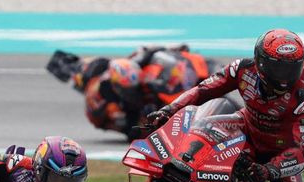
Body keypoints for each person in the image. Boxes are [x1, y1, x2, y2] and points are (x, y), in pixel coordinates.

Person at [145, 29, 304, 182]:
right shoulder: (243, 69)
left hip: (277, 157)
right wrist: (169, 110)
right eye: (278, 67)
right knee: (197, 136)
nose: (284, 76)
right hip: (244, 130)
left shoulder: (303, 100)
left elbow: (300, 152)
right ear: (260, 62)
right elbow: (204, 90)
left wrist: (270, 169)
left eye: (291, 68)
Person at [47, 45, 211, 139]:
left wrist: (172, 49)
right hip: (110, 113)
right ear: (120, 89)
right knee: (143, 124)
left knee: (94, 65)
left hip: (110, 71)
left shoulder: (129, 66)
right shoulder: (107, 104)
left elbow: (147, 51)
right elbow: (130, 130)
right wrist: (142, 122)